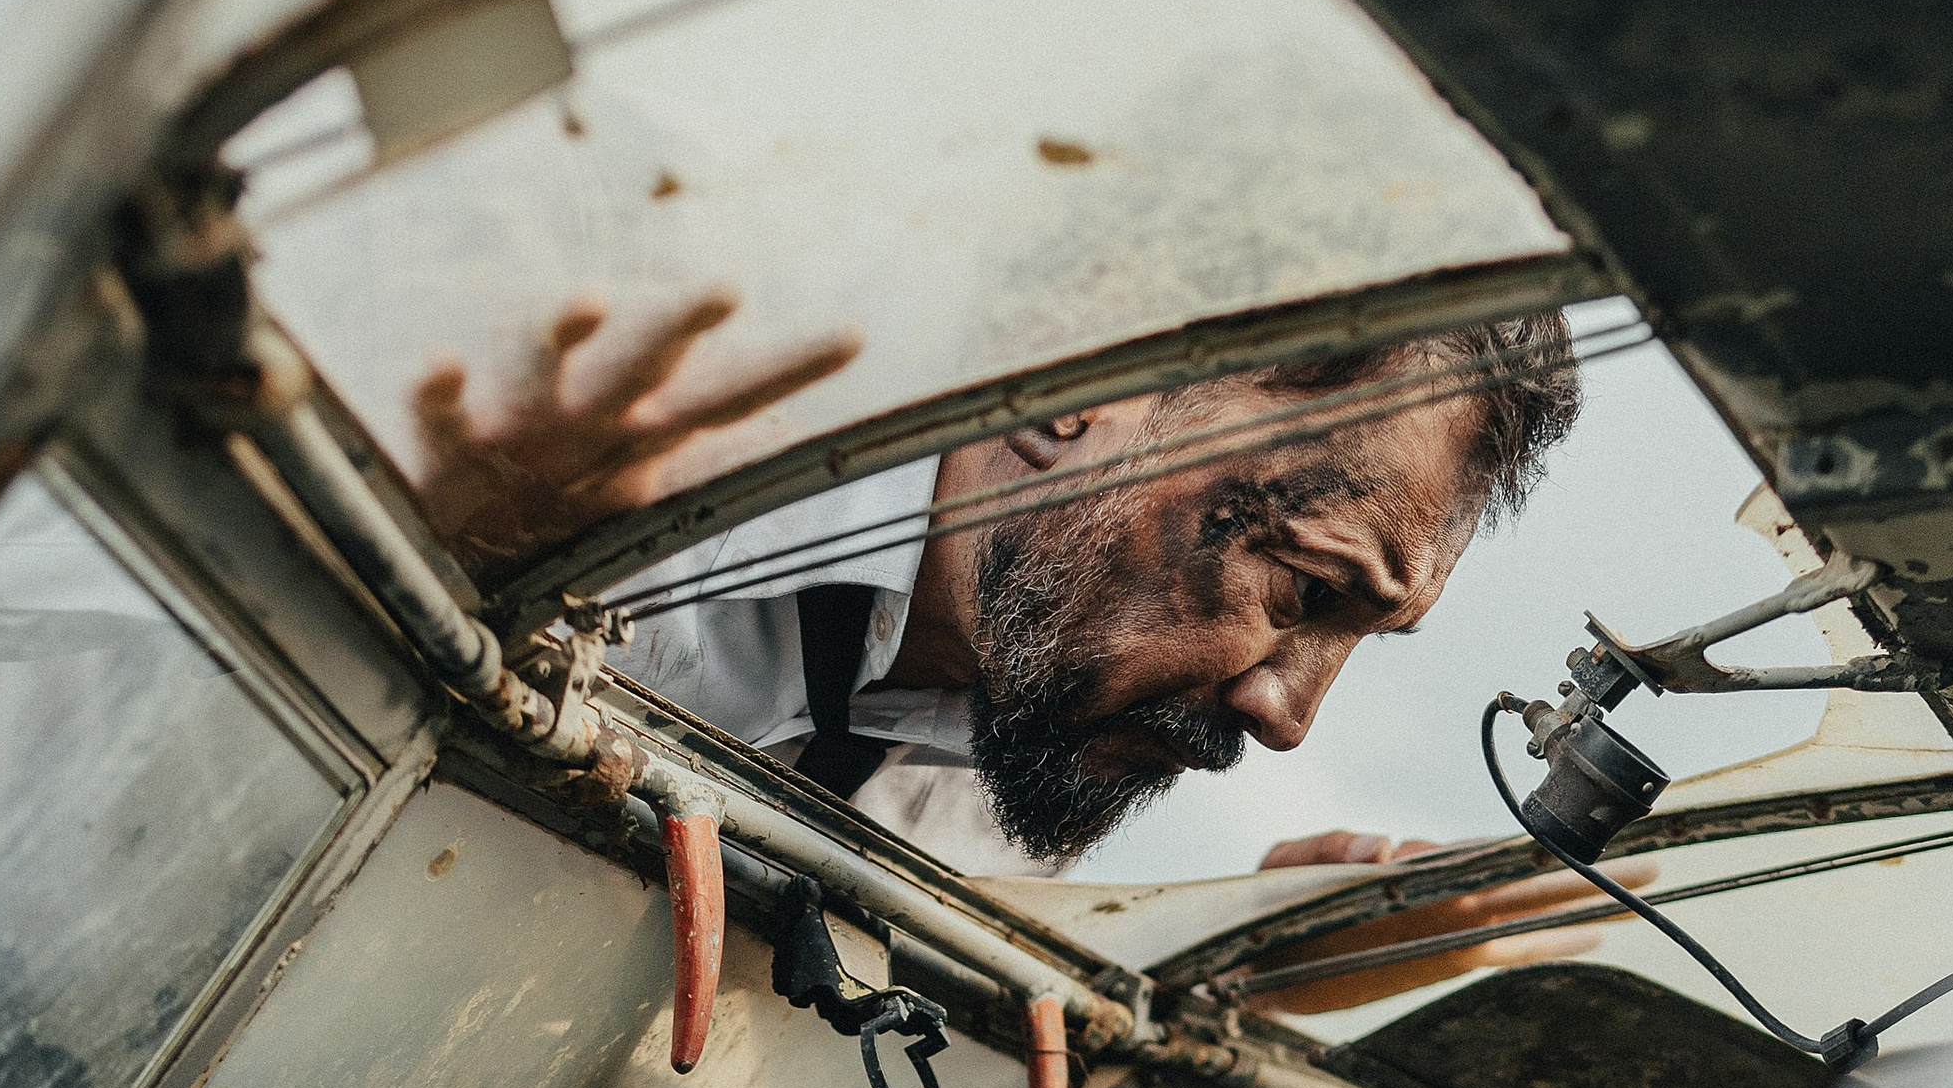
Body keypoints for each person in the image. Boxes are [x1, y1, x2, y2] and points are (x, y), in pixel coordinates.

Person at [407, 287, 1635, 974]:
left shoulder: (1006, 764)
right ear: (1076, 388)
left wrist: (1228, 964)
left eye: (1371, 633)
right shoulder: (624, 464)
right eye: (1305, 593)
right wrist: (454, 564)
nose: (1287, 718)